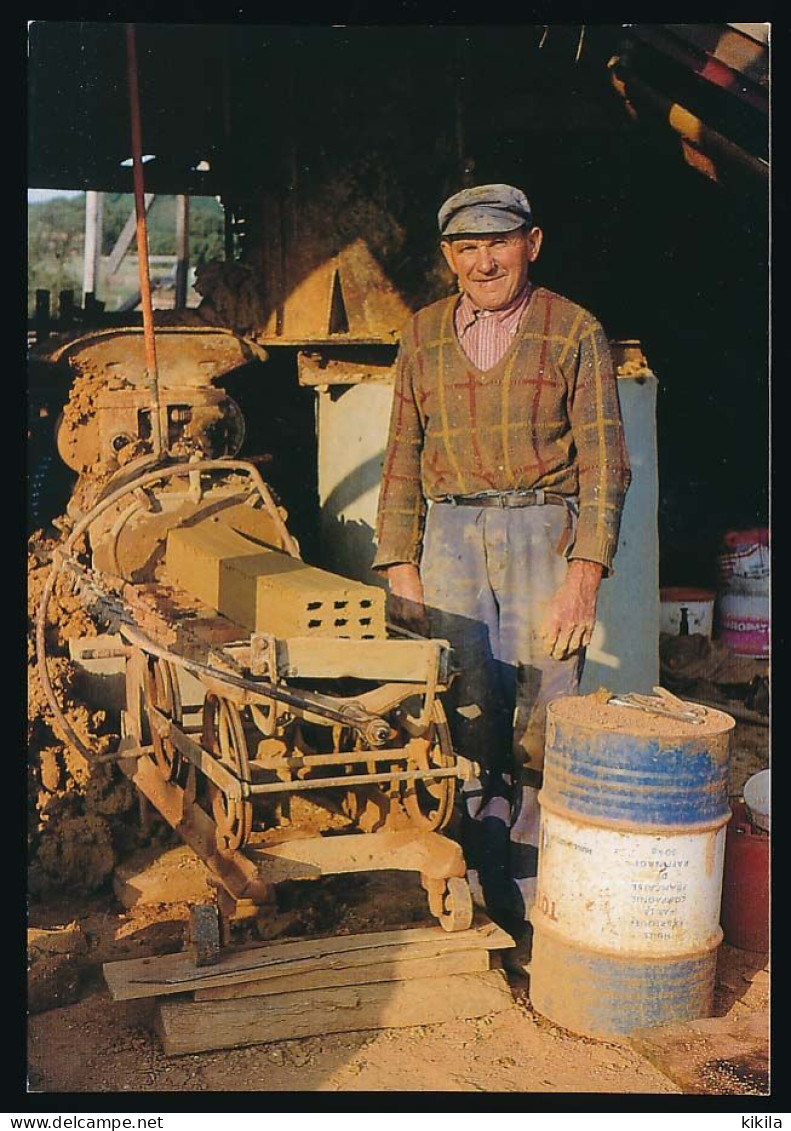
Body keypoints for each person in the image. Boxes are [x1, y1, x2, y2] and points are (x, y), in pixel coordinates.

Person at [372, 184, 632, 937]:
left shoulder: (573, 329)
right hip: (449, 537)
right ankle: (480, 877)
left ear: (532, 244)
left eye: (499, 242)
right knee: (463, 705)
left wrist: (583, 576)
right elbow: (400, 457)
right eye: (466, 247)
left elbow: (604, 465)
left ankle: (540, 891)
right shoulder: (419, 334)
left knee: (545, 708)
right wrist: (400, 567)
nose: (483, 260)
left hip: (540, 533)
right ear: (448, 256)